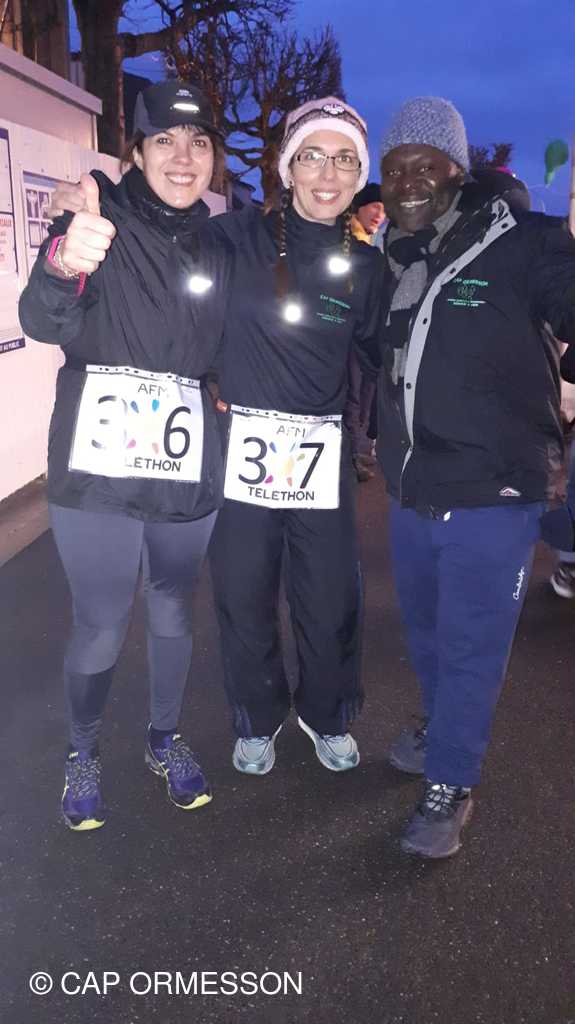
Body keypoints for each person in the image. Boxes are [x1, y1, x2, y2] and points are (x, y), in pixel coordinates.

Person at [18, 80, 233, 831]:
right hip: (98, 469)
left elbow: (233, 345)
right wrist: (63, 260)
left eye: (198, 142)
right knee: (102, 619)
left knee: (173, 608)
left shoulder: (222, 244)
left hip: (184, 467)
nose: (184, 156)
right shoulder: (95, 216)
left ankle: (163, 738)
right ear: (135, 153)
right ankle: (81, 751)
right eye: (164, 140)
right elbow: (42, 319)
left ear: (213, 158)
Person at [376, 96, 575, 858]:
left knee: (470, 643)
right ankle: (440, 726)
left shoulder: (526, 242)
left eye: (425, 165)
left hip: (494, 488)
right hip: (412, 487)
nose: (409, 181)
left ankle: (451, 783)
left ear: (457, 171)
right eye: (395, 168)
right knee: (426, 630)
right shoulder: (396, 254)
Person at [208, 98, 383, 775]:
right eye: (312, 155)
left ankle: (325, 713)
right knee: (243, 592)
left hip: (320, 457)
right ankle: (257, 716)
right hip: (243, 453)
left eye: (344, 160)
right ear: (288, 167)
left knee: (330, 595)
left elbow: (382, 356)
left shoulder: (366, 266)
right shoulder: (236, 237)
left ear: (358, 175)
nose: (327, 174)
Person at [345, 181, 386, 481]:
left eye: (384, 210)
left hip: (361, 333)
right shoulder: (351, 245)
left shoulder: (366, 244)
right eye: (374, 206)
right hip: (350, 334)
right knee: (352, 396)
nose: (379, 214)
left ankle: (353, 452)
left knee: (359, 396)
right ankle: (350, 459)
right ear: (358, 208)